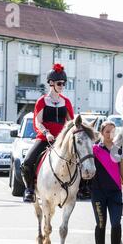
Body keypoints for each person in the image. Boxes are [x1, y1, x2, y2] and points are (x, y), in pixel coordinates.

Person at [21, 63, 74, 203]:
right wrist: (46, 133)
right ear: (51, 83)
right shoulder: (42, 101)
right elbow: (38, 122)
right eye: (59, 83)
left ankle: (82, 188)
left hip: (61, 140)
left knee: (80, 158)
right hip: (45, 138)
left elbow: (70, 122)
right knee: (27, 162)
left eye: (64, 83)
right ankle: (30, 189)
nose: (62, 86)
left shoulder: (66, 102)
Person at [91, 121, 123, 244]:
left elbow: (121, 169)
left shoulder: (117, 149)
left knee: (116, 223)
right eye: (107, 131)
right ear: (101, 133)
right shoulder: (94, 149)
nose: (110, 134)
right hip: (98, 193)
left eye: (112, 131)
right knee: (101, 224)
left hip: (115, 192)